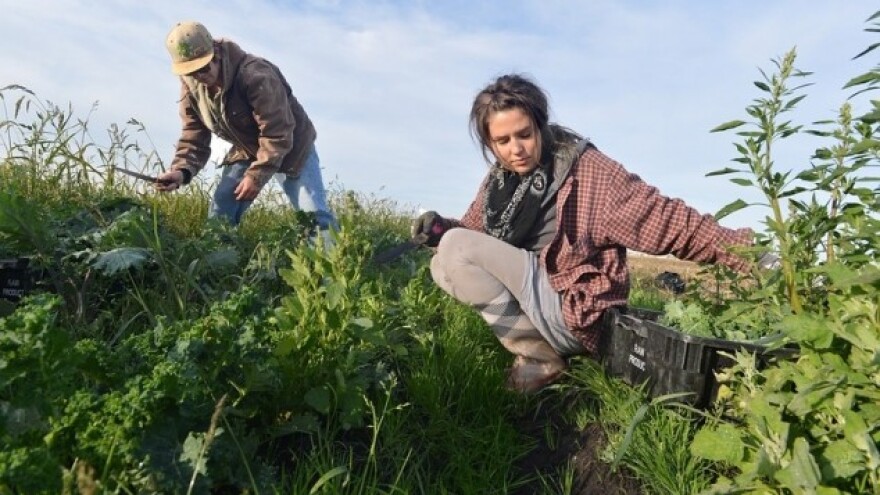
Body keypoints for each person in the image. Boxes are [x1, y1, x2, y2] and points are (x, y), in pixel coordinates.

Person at [411, 74, 757, 393]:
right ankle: (534, 346)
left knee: (455, 248)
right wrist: (440, 228)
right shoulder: (500, 183)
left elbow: (668, 220)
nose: (515, 149)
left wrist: (754, 257)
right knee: (443, 262)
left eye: (524, 134)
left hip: (572, 307)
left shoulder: (585, 170)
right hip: (536, 296)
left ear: (540, 125)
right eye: (502, 141)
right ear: (489, 143)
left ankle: (540, 358)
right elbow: (474, 235)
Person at [157, 21, 337, 235]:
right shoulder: (191, 86)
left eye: (203, 68)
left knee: (313, 216)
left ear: (216, 53)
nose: (200, 77)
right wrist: (181, 171)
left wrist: (257, 175)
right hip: (249, 147)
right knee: (222, 209)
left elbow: (277, 131)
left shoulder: (255, 74)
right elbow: (193, 135)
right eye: (191, 72)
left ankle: (334, 264)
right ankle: (219, 262)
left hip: (292, 146)